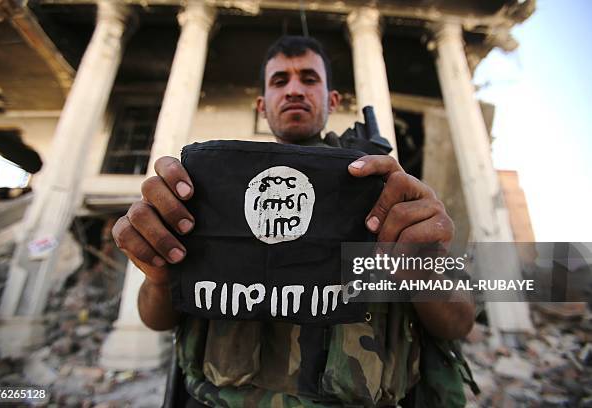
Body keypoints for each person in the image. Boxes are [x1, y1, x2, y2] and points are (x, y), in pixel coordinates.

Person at [112, 35, 475, 407]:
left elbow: (459, 321)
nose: (295, 90)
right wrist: (158, 275)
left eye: (310, 79)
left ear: (332, 101)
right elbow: (158, 319)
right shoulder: (211, 192)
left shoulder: (381, 192)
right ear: (261, 105)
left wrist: (421, 272)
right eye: (280, 81)